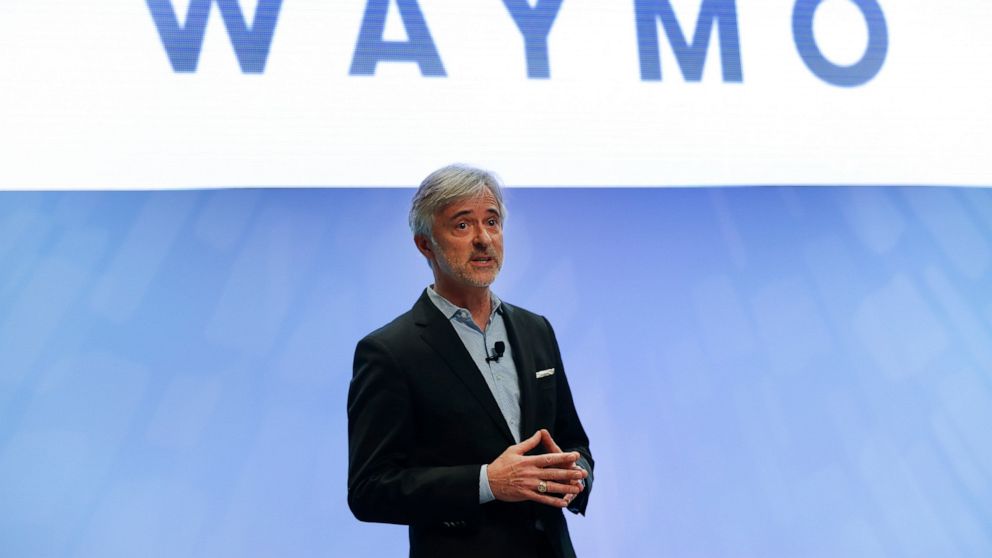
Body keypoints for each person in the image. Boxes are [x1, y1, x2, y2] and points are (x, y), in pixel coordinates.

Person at [347, 164, 594, 558]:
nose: (483, 239)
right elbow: (370, 489)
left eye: (492, 222)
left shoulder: (535, 329)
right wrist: (487, 483)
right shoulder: (390, 351)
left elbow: (572, 439)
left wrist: (576, 475)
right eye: (462, 225)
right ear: (425, 245)